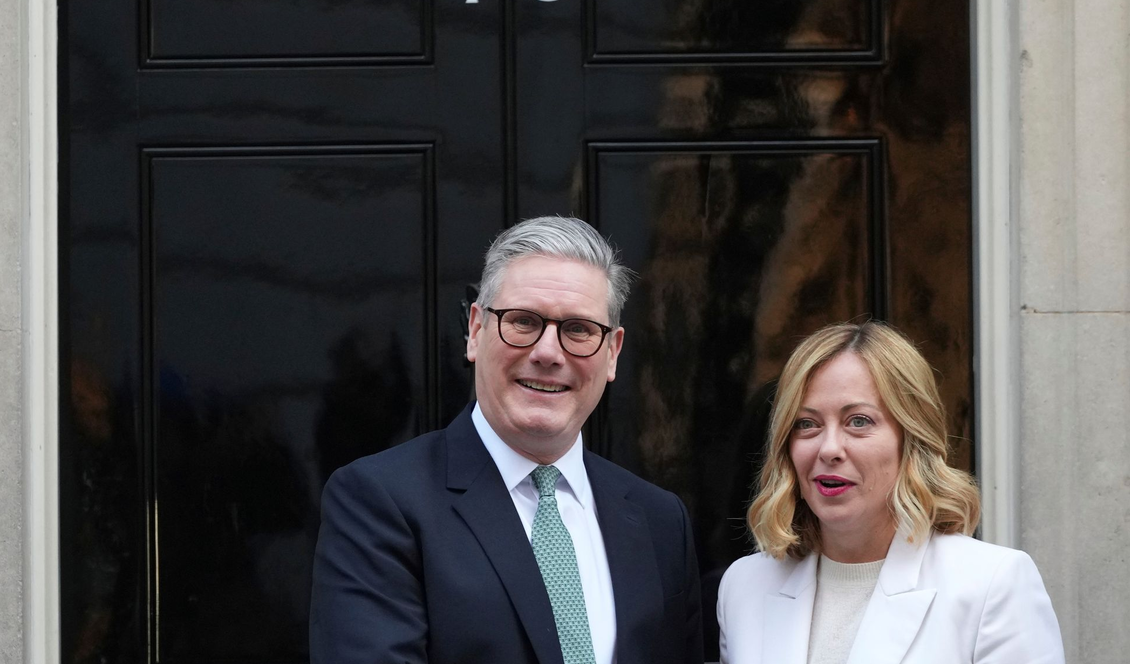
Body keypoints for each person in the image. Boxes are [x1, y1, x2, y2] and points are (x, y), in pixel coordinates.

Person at [310, 216, 703, 664]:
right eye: (522, 321)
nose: (548, 353)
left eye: (578, 329)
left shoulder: (660, 522)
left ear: (612, 352)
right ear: (475, 330)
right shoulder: (378, 501)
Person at [717, 321, 1064, 664]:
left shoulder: (992, 584)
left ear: (910, 438)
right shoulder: (745, 587)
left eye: (858, 421)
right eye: (807, 424)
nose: (829, 448)